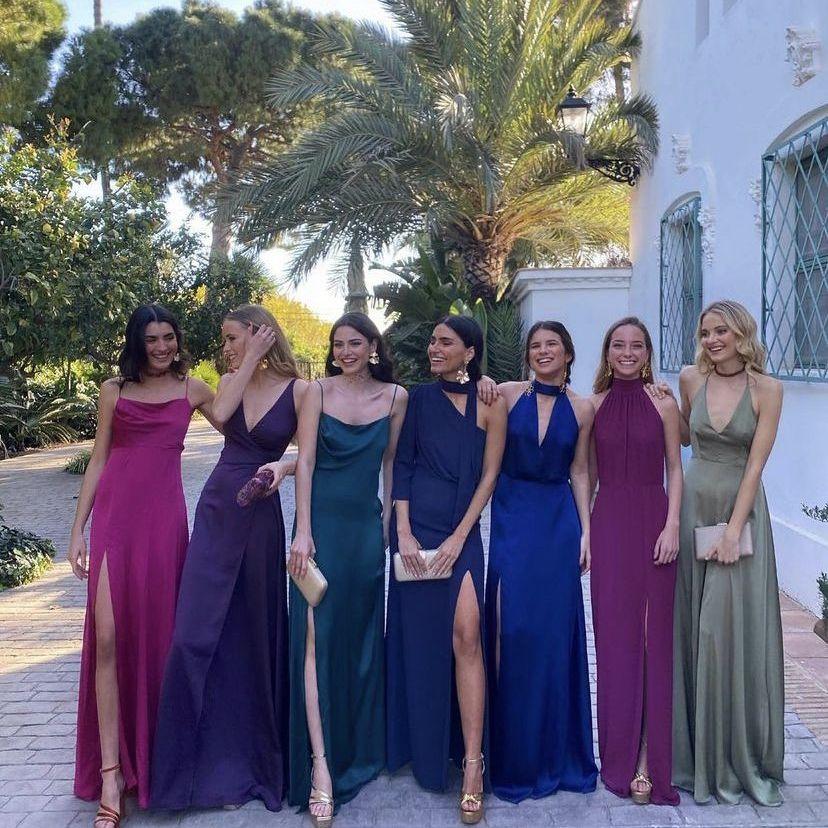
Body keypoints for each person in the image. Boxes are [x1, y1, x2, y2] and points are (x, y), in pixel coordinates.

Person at [151, 305, 307, 812]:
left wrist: (284, 466)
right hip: (219, 509)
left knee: (252, 636)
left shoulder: (300, 390)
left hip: (261, 517)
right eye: (225, 340)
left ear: (261, 335)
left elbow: (312, 454)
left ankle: (248, 767)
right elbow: (220, 414)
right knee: (193, 635)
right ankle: (190, 772)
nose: (225, 348)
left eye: (233, 338)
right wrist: (248, 361)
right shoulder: (227, 382)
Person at [69, 304, 215, 826]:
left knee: (160, 641)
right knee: (107, 639)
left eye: (168, 337)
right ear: (137, 342)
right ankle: (111, 774)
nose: (161, 347)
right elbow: (99, 458)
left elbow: (246, 428)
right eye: (151, 339)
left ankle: (162, 765)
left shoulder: (194, 390)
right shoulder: (114, 391)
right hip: (115, 522)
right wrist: (77, 528)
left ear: (178, 340)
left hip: (163, 526)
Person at [386, 315, 507, 826]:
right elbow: (403, 465)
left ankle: (473, 763)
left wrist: (460, 536)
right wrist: (403, 531)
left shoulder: (491, 401)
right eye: (432, 341)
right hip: (416, 533)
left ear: (469, 351)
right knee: (421, 641)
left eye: (445, 342)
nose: (434, 348)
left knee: (467, 636)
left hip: (463, 533)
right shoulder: (417, 399)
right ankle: (423, 748)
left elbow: (490, 476)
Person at [288, 312, 407, 826]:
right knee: (315, 638)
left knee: (360, 640)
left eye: (354, 343)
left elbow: (391, 464)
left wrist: (390, 523)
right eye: (338, 344)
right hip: (320, 530)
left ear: (373, 346)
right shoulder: (317, 391)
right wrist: (302, 530)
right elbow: (306, 461)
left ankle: (359, 748)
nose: (345, 352)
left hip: (365, 532)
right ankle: (320, 764)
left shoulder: (396, 398)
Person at [671, 300, 784, 805]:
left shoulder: (768, 390)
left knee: (724, 631)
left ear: (742, 334)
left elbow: (756, 465)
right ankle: (694, 757)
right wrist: (658, 399)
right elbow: (682, 435)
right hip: (695, 505)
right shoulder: (689, 379)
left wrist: (734, 531)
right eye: (706, 332)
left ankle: (734, 756)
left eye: (721, 331)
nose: (712, 340)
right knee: (693, 626)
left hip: (741, 514)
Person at [485, 321, 597, 802]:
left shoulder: (583, 407)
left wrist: (586, 531)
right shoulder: (507, 394)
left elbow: (580, 470)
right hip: (513, 515)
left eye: (552, 344)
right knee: (512, 630)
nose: (543, 351)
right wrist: (478, 379)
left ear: (568, 353)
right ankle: (511, 755)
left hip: (558, 522)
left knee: (554, 636)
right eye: (535, 345)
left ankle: (556, 755)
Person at [589, 317, 682, 806]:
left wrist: (673, 526)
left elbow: (676, 469)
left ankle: (649, 758)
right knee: (614, 642)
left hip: (654, 520)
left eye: (637, 346)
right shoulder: (593, 405)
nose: (627, 352)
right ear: (607, 353)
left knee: (653, 641)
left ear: (647, 353)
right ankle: (618, 757)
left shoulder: (664, 402)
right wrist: (585, 533)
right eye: (619, 345)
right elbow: (584, 474)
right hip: (609, 523)